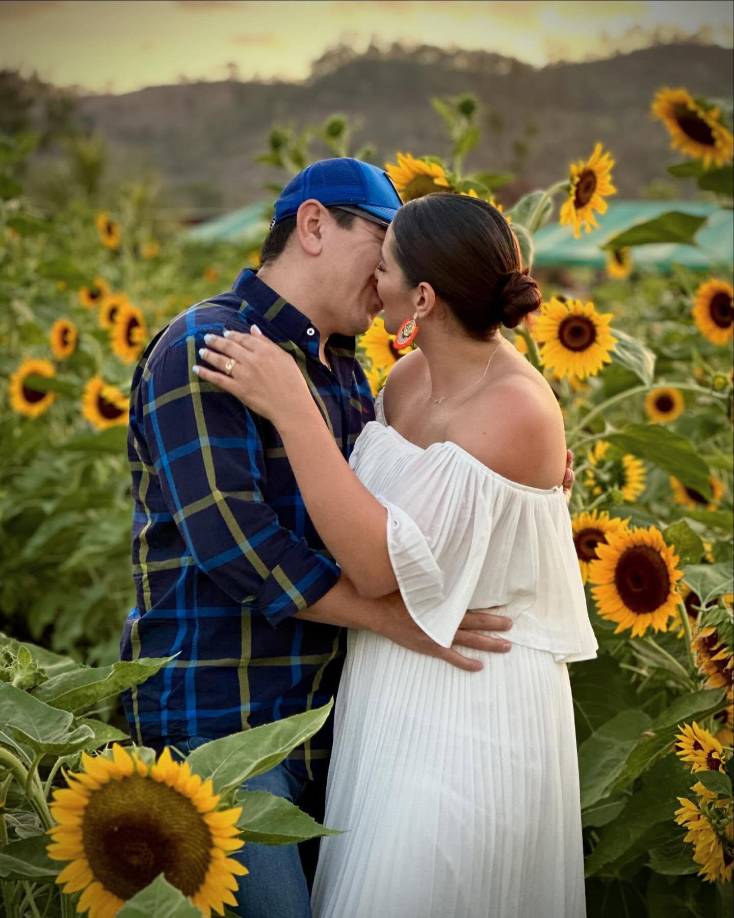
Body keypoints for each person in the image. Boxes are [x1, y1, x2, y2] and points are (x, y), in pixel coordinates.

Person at [120, 159, 575, 918]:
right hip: (222, 718)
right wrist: (394, 620)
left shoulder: (344, 368)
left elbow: (397, 508)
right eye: (383, 239)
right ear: (314, 226)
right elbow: (237, 546)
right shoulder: (206, 347)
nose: (389, 272)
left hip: (334, 726)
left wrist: (518, 483)